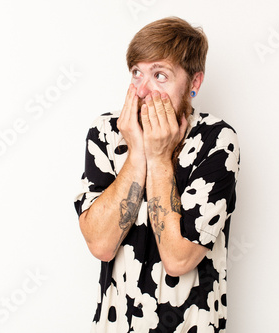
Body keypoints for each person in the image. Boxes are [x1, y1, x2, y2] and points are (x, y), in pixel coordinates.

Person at [74, 17, 240, 332]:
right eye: (137, 72)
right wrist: (137, 153)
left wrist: (159, 156)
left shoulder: (216, 140)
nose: (143, 89)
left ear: (194, 83)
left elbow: (179, 260)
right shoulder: (107, 133)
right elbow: (101, 245)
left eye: (160, 75)